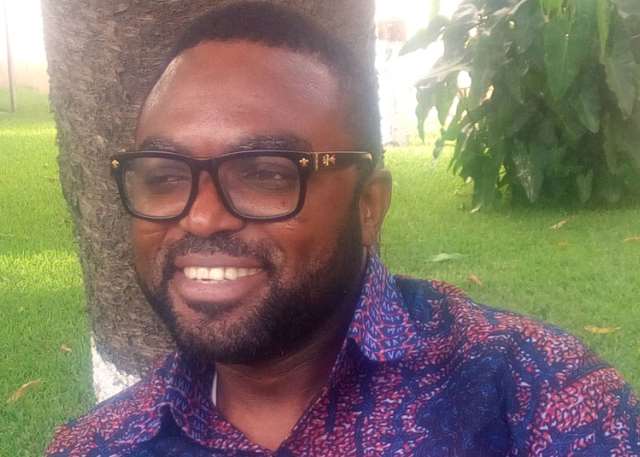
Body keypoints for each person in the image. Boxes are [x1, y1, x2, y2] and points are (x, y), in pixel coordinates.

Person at [46, 2, 639, 456]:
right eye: (164, 176)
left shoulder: (535, 398)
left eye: (266, 174)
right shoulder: (103, 443)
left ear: (368, 206)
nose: (201, 216)